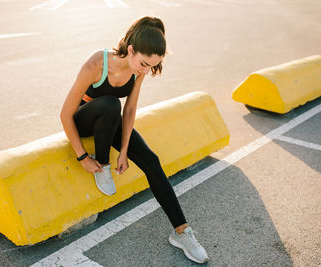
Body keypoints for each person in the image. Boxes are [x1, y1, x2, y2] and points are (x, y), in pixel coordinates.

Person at [60, 16, 209, 264]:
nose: (145, 70)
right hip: (85, 119)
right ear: (130, 50)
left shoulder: (139, 70)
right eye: (143, 64)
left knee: (151, 160)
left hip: (111, 120)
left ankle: (182, 232)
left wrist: (125, 150)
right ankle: (101, 165)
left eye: (151, 66)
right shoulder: (98, 63)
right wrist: (82, 157)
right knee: (109, 103)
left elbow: (129, 110)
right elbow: (65, 113)